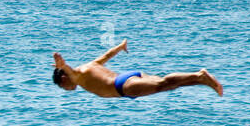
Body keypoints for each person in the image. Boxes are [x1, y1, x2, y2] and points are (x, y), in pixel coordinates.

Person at [52, 39, 223, 100]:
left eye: (61, 86)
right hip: (128, 77)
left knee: (163, 84)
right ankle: (202, 80)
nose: (64, 89)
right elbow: (106, 56)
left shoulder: (76, 75)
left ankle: (199, 75)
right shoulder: (88, 66)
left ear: (64, 78)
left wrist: (63, 66)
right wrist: (120, 46)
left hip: (122, 86)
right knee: (167, 85)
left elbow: (70, 71)